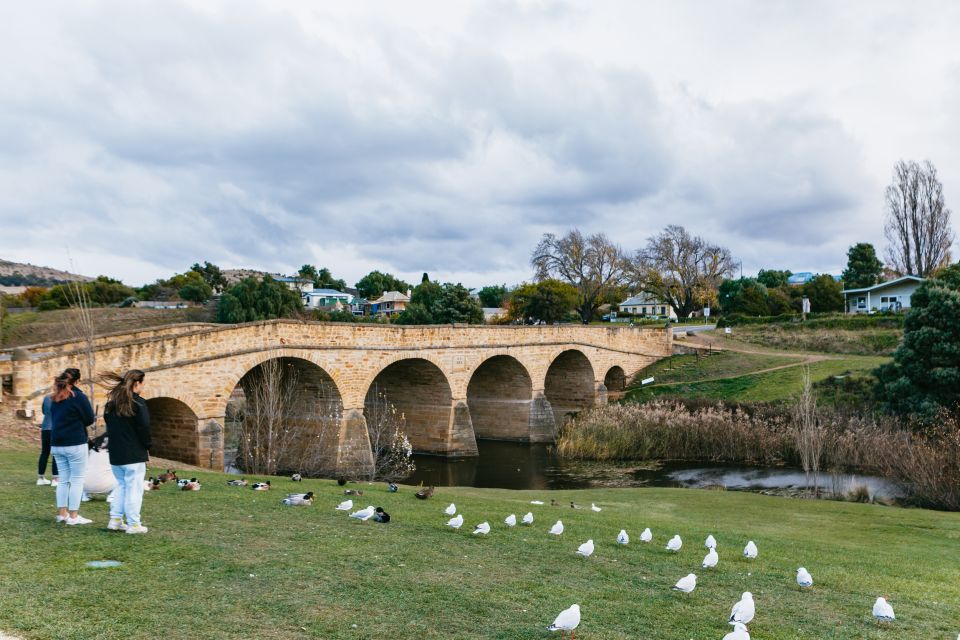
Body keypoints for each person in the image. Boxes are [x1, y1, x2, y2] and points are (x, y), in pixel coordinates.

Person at [101, 370, 151, 534]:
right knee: (134, 488)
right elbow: (144, 428)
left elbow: (110, 426)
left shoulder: (111, 405)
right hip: (133, 453)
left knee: (122, 486)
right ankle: (134, 524)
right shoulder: (138, 404)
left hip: (116, 453)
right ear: (137, 384)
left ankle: (115, 519)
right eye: (143, 383)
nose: (144, 386)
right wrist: (148, 445)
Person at [49, 368, 95, 525]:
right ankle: (74, 516)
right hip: (75, 442)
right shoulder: (78, 397)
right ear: (77, 381)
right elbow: (90, 418)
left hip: (57, 443)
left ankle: (62, 514)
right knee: (77, 479)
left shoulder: (54, 398)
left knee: (63, 479)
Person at [37, 393, 59, 486]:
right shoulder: (61, 397)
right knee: (56, 453)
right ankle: (55, 479)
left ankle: (40, 478)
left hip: (45, 427)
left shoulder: (46, 397)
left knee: (44, 453)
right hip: (55, 428)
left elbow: (43, 411)